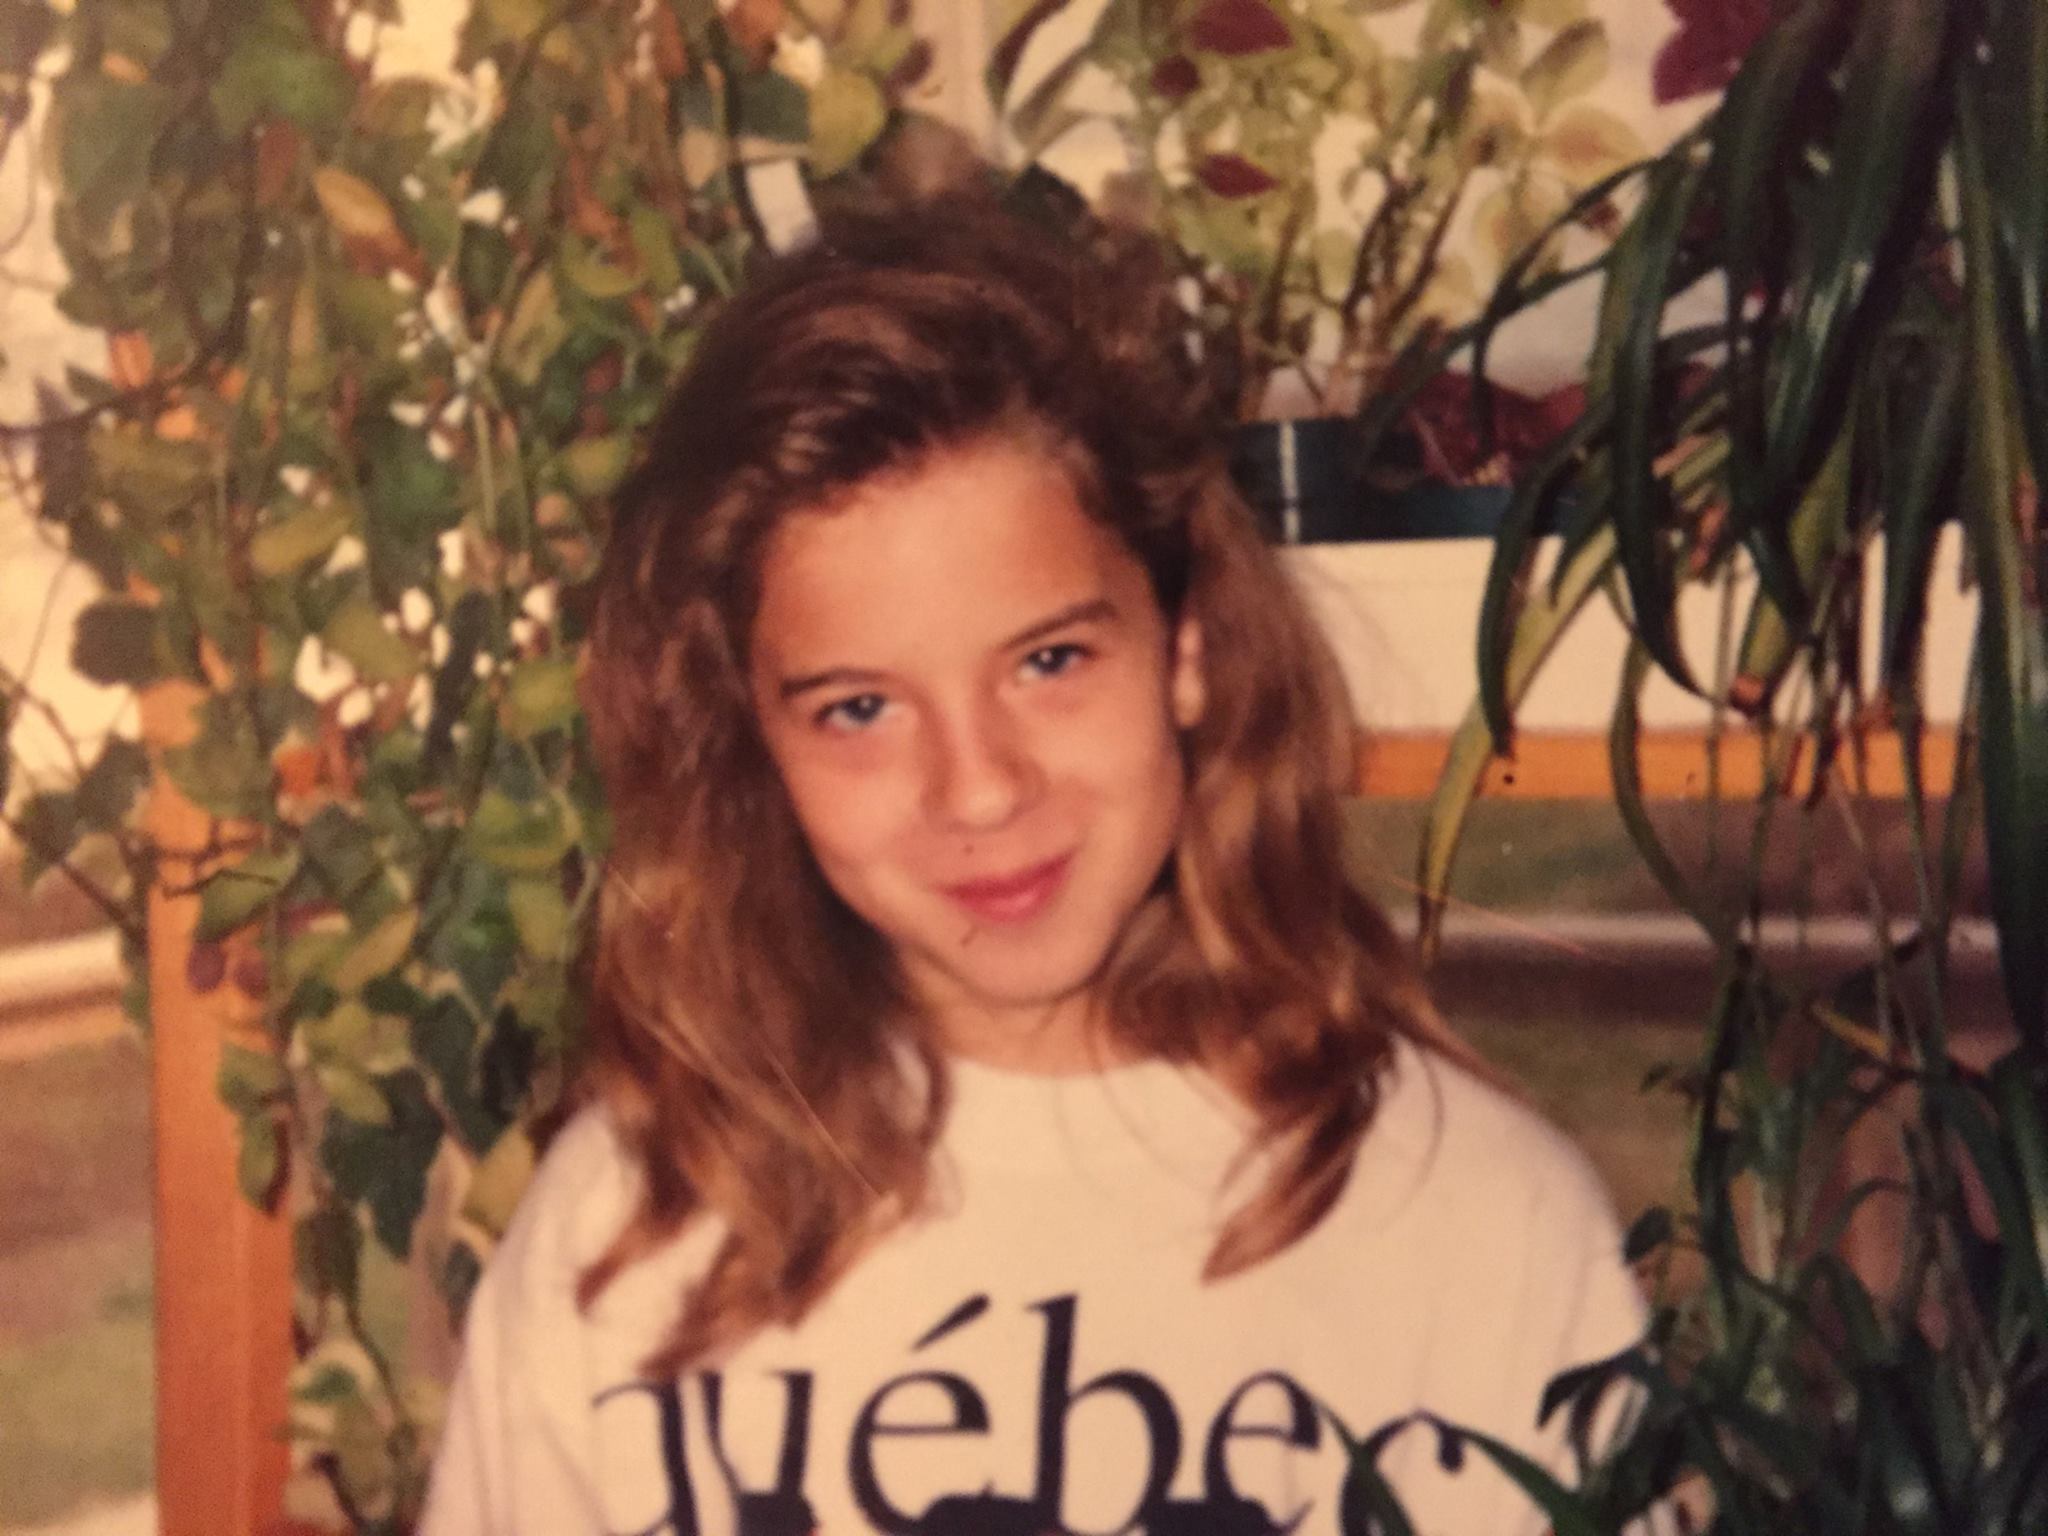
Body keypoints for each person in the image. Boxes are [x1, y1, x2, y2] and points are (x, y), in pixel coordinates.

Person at [420, 193, 1647, 1536]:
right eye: (859, 708)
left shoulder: (1477, 1229)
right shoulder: (626, 1228)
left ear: (1185, 649)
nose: (981, 787)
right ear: (753, 738)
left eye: (1049, 661)